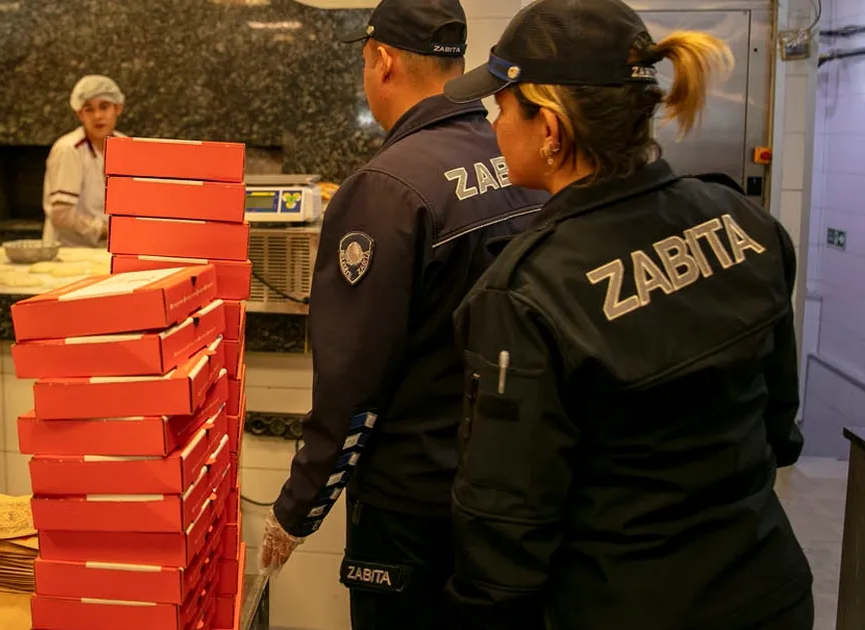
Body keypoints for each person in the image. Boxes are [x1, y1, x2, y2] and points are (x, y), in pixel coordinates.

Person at [442, 1, 813, 629]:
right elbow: (780, 432)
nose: (495, 121)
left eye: (503, 105)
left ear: (550, 128)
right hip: (767, 590)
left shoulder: (528, 292)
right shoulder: (747, 224)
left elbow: (505, 537)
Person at [258, 1, 548, 628]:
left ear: (383, 61)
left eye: (365, 62)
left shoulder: (386, 187)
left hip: (410, 508)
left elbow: (352, 383)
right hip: (507, 488)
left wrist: (296, 509)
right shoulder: (521, 156)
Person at [42, 75, 126, 247]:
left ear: (118, 108)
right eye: (89, 109)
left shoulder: (126, 146)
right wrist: (105, 230)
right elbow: (61, 216)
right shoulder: (68, 149)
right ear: (80, 114)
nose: (97, 116)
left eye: (104, 107)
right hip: (68, 252)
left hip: (109, 250)